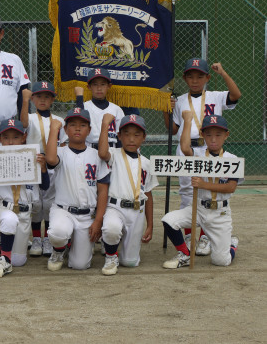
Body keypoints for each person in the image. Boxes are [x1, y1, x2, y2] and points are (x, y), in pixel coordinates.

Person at [163, 58, 241, 255]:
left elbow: (236, 94)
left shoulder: (214, 96)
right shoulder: (180, 100)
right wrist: (166, 108)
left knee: (207, 189)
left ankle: (205, 237)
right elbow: (172, 129)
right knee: (187, 192)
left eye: (200, 76)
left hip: (209, 146)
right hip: (187, 147)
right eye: (190, 76)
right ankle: (189, 236)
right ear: (185, 78)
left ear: (207, 77)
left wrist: (222, 73)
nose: (195, 80)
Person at [162, 114, 241, 269]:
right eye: (209, 135)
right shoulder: (198, 155)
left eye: (218, 135)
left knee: (221, 261)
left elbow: (231, 187)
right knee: (168, 220)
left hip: (220, 213)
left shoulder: (232, 159)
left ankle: (231, 244)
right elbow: (184, 148)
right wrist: (187, 121)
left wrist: (204, 184)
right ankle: (184, 254)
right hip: (199, 208)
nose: (213, 139)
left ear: (226, 135)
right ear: (202, 135)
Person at [44, 108, 110, 271]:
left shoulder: (96, 155)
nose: (78, 128)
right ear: (65, 130)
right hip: (63, 210)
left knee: (80, 265)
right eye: (72, 125)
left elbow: (103, 190)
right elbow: (51, 159)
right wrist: (53, 130)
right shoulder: (60, 151)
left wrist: (98, 220)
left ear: (89, 130)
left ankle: (72, 245)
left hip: (87, 215)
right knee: (58, 233)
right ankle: (58, 250)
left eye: (82, 125)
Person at [0, 118, 49, 278]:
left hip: (25, 214)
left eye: (15, 137)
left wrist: (42, 169)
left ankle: (3, 242)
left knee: (19, 261)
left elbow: (45, 187)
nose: (10, 141)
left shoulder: (33, 157)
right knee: (9, 220)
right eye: (6, 137)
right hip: (4, 208)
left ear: (24, 137)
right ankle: (4, 260)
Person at [98, 114, 158, 275]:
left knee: (130, 263)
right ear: (119, 136)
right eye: (127, 134)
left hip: (137, 211)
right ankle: (111, 256)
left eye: (137, 134)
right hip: (115, 207)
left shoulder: (147, 163)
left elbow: (149, 194)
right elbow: (102, 153)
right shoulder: (114, 153)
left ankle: (120, 248)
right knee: (111, 228)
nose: (131, 139)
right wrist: (105, 125)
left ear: (144, 137)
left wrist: (150, 225)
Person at [21, 81, 67, 257]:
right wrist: (24, 101)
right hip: (33, 162)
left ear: (52, 100)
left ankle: (48, 238)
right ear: (33, 98)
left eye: (47, 96)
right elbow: (24, 123)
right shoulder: (31, 117)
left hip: (52, 163)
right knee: (35, 202)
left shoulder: (59, 121)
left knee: (48, 203)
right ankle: (37, 238)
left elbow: (62, 144)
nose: (42, 100)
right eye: (39, 96)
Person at [76, 68, 124, 149]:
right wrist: (79, 99)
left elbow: (121, 137)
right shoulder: (84, 107)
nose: (99, 88)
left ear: (109, 86)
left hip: (112, 149)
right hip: (90, 149)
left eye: (103, 84)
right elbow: (78, 122)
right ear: (89, 87)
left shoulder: (116, 109)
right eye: (95, 84)